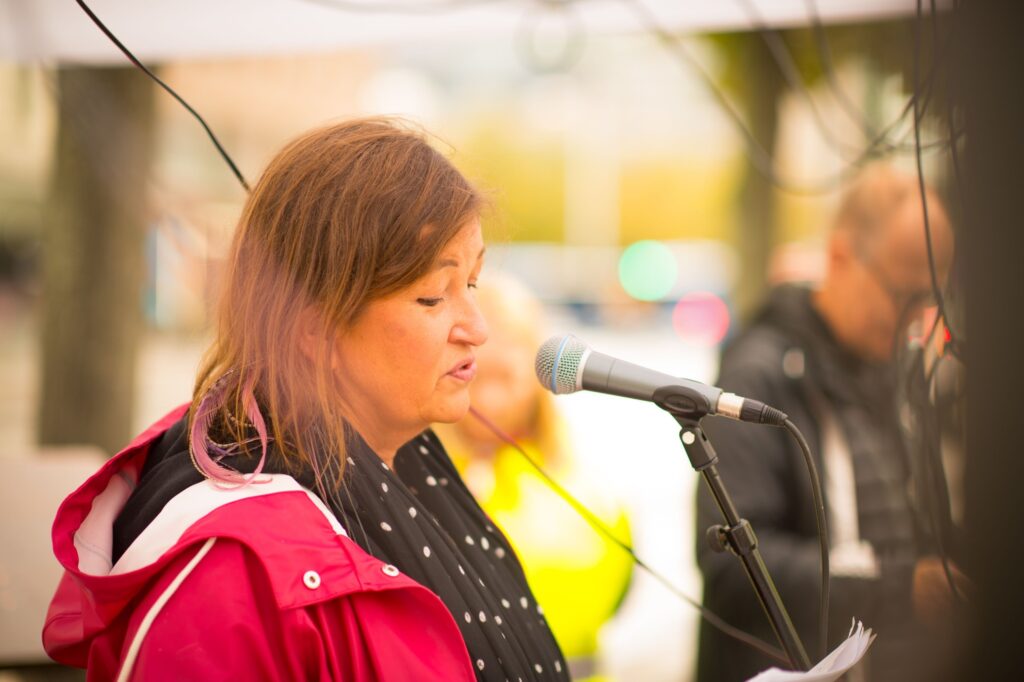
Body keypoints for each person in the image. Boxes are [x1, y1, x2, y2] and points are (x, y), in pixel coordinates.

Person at [42, 118, 570, 681]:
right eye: (432, 296)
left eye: (472, 284)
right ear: (315, 329)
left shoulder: (416, 472)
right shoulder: (231, 575)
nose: (477, 327)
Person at [695, 164, 961, 682]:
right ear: (841, 255)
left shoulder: (889, 371)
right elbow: (731, 567)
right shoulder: (761, 372)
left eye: (927, 303)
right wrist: (903, 588)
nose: (914, 323)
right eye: (904, 296)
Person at [434, 275, 633, 681]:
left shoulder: (584, 484)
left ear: (535, 373)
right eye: (476, 377)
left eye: (504, 378)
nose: (489, 400)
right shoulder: (419, 478)